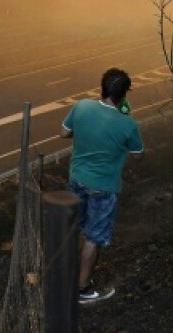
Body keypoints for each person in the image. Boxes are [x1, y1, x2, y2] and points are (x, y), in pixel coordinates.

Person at [60, 67, 144, 303]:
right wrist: (124, 115)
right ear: (125, 94)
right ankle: (82, 289)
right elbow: (138, 155)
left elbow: (63, 133)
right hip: (103, 187)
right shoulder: (127, 124)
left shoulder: (81, 107)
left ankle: (62, 276)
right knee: (93, 237)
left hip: (76, 179)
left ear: (102, 86)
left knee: (72, 230)